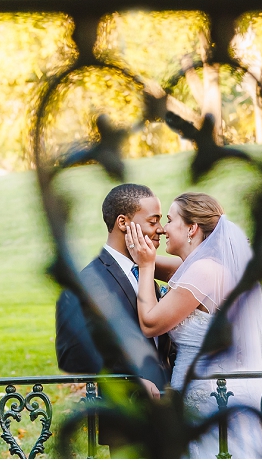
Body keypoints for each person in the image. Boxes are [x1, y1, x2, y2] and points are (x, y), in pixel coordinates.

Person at [126, 192, 262, 458]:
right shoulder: (206, 265)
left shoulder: (205, 271)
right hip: (209, 392)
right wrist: (135, 254)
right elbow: (171, 271)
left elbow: (150, 323)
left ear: (192, 228)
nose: (164, 229)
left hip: (209, 397)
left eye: (169, 220)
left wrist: (145, 266)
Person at [55, 183, 175, 446]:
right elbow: (70, 354)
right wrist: (130, 379)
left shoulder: (146, 273)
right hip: (126, 419)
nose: (162, 229)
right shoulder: (87, 281)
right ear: (123, 222)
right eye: (153, 221)